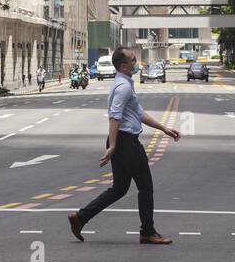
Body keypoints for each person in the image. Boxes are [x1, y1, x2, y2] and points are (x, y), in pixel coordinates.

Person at [68, 46, 179, 245]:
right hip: (125, 141)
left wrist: (164, 129)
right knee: (145, 186)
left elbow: (138, 113)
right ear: (123, 65)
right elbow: (114, 117)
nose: (136, 63)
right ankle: (147, 231)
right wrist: (112, 146)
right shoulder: (123, 87)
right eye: (133, 60)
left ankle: (81, 217)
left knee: (119, 188)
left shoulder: (125, 84)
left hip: (121, 140)